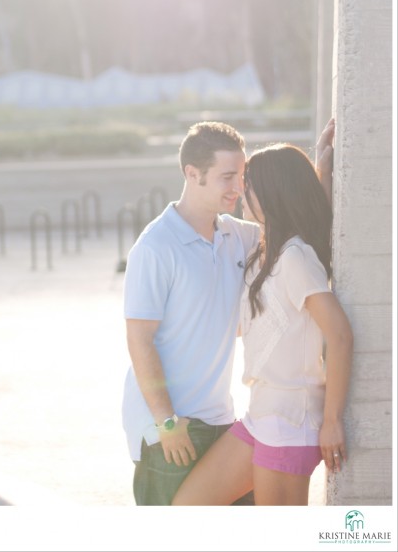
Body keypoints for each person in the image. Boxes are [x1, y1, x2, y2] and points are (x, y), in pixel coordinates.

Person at [121, 119, 335, 506]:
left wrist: (322, 173)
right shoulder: (155, 247)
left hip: (223, 420)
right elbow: (139, 340)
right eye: (227, 177)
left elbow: (295, 217)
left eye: (242, 176)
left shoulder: (238, 236)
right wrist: (166, 422)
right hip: (172, 426)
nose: (238, 188)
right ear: (192, 174)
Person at [172, 142, 353, 506]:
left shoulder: (296, 257)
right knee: (187, 505)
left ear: (271, 192)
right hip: (260, 415)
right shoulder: (264, 250)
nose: (241, 190)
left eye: (248, 183)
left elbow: (340, 335)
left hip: (290, 422)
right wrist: (322, 173)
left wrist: (332, 420)